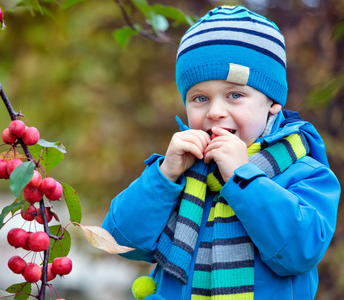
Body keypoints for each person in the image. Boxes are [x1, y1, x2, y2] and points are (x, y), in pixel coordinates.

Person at [101, 5, 340, 300]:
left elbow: (299, 252)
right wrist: (164, 176)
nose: (215, 112)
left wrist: (244, 178)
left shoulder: (307, 173)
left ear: (273, 102)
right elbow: (120, 240)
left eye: (235, 95)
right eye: (200, 98)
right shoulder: (181, 171)